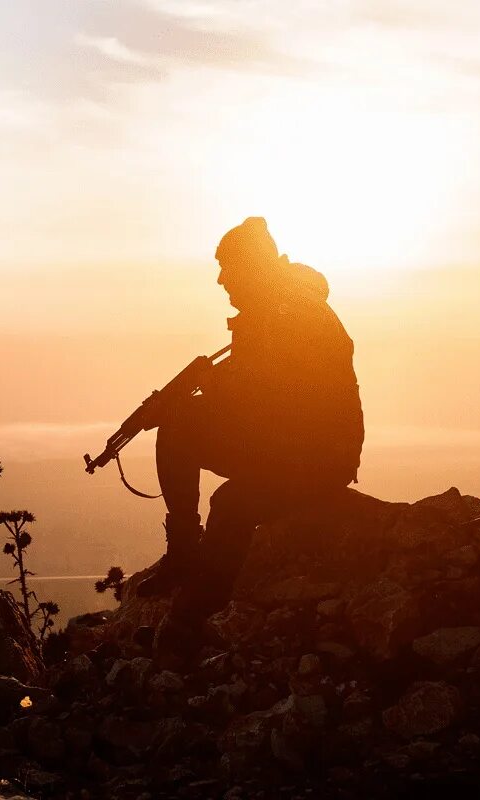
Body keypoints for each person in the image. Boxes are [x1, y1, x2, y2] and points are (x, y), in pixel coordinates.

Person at [138, 216, 365, 660]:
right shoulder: (272, 309)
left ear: (253, 268)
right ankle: (184, 549)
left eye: (229, 268)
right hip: (287, 442)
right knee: (181, 423)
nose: (222, 279)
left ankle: (188, 625)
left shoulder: (293, 312)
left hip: (316, 455)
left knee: (232, 503)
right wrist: (190, 398)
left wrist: (209, 385)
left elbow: (271, 391)